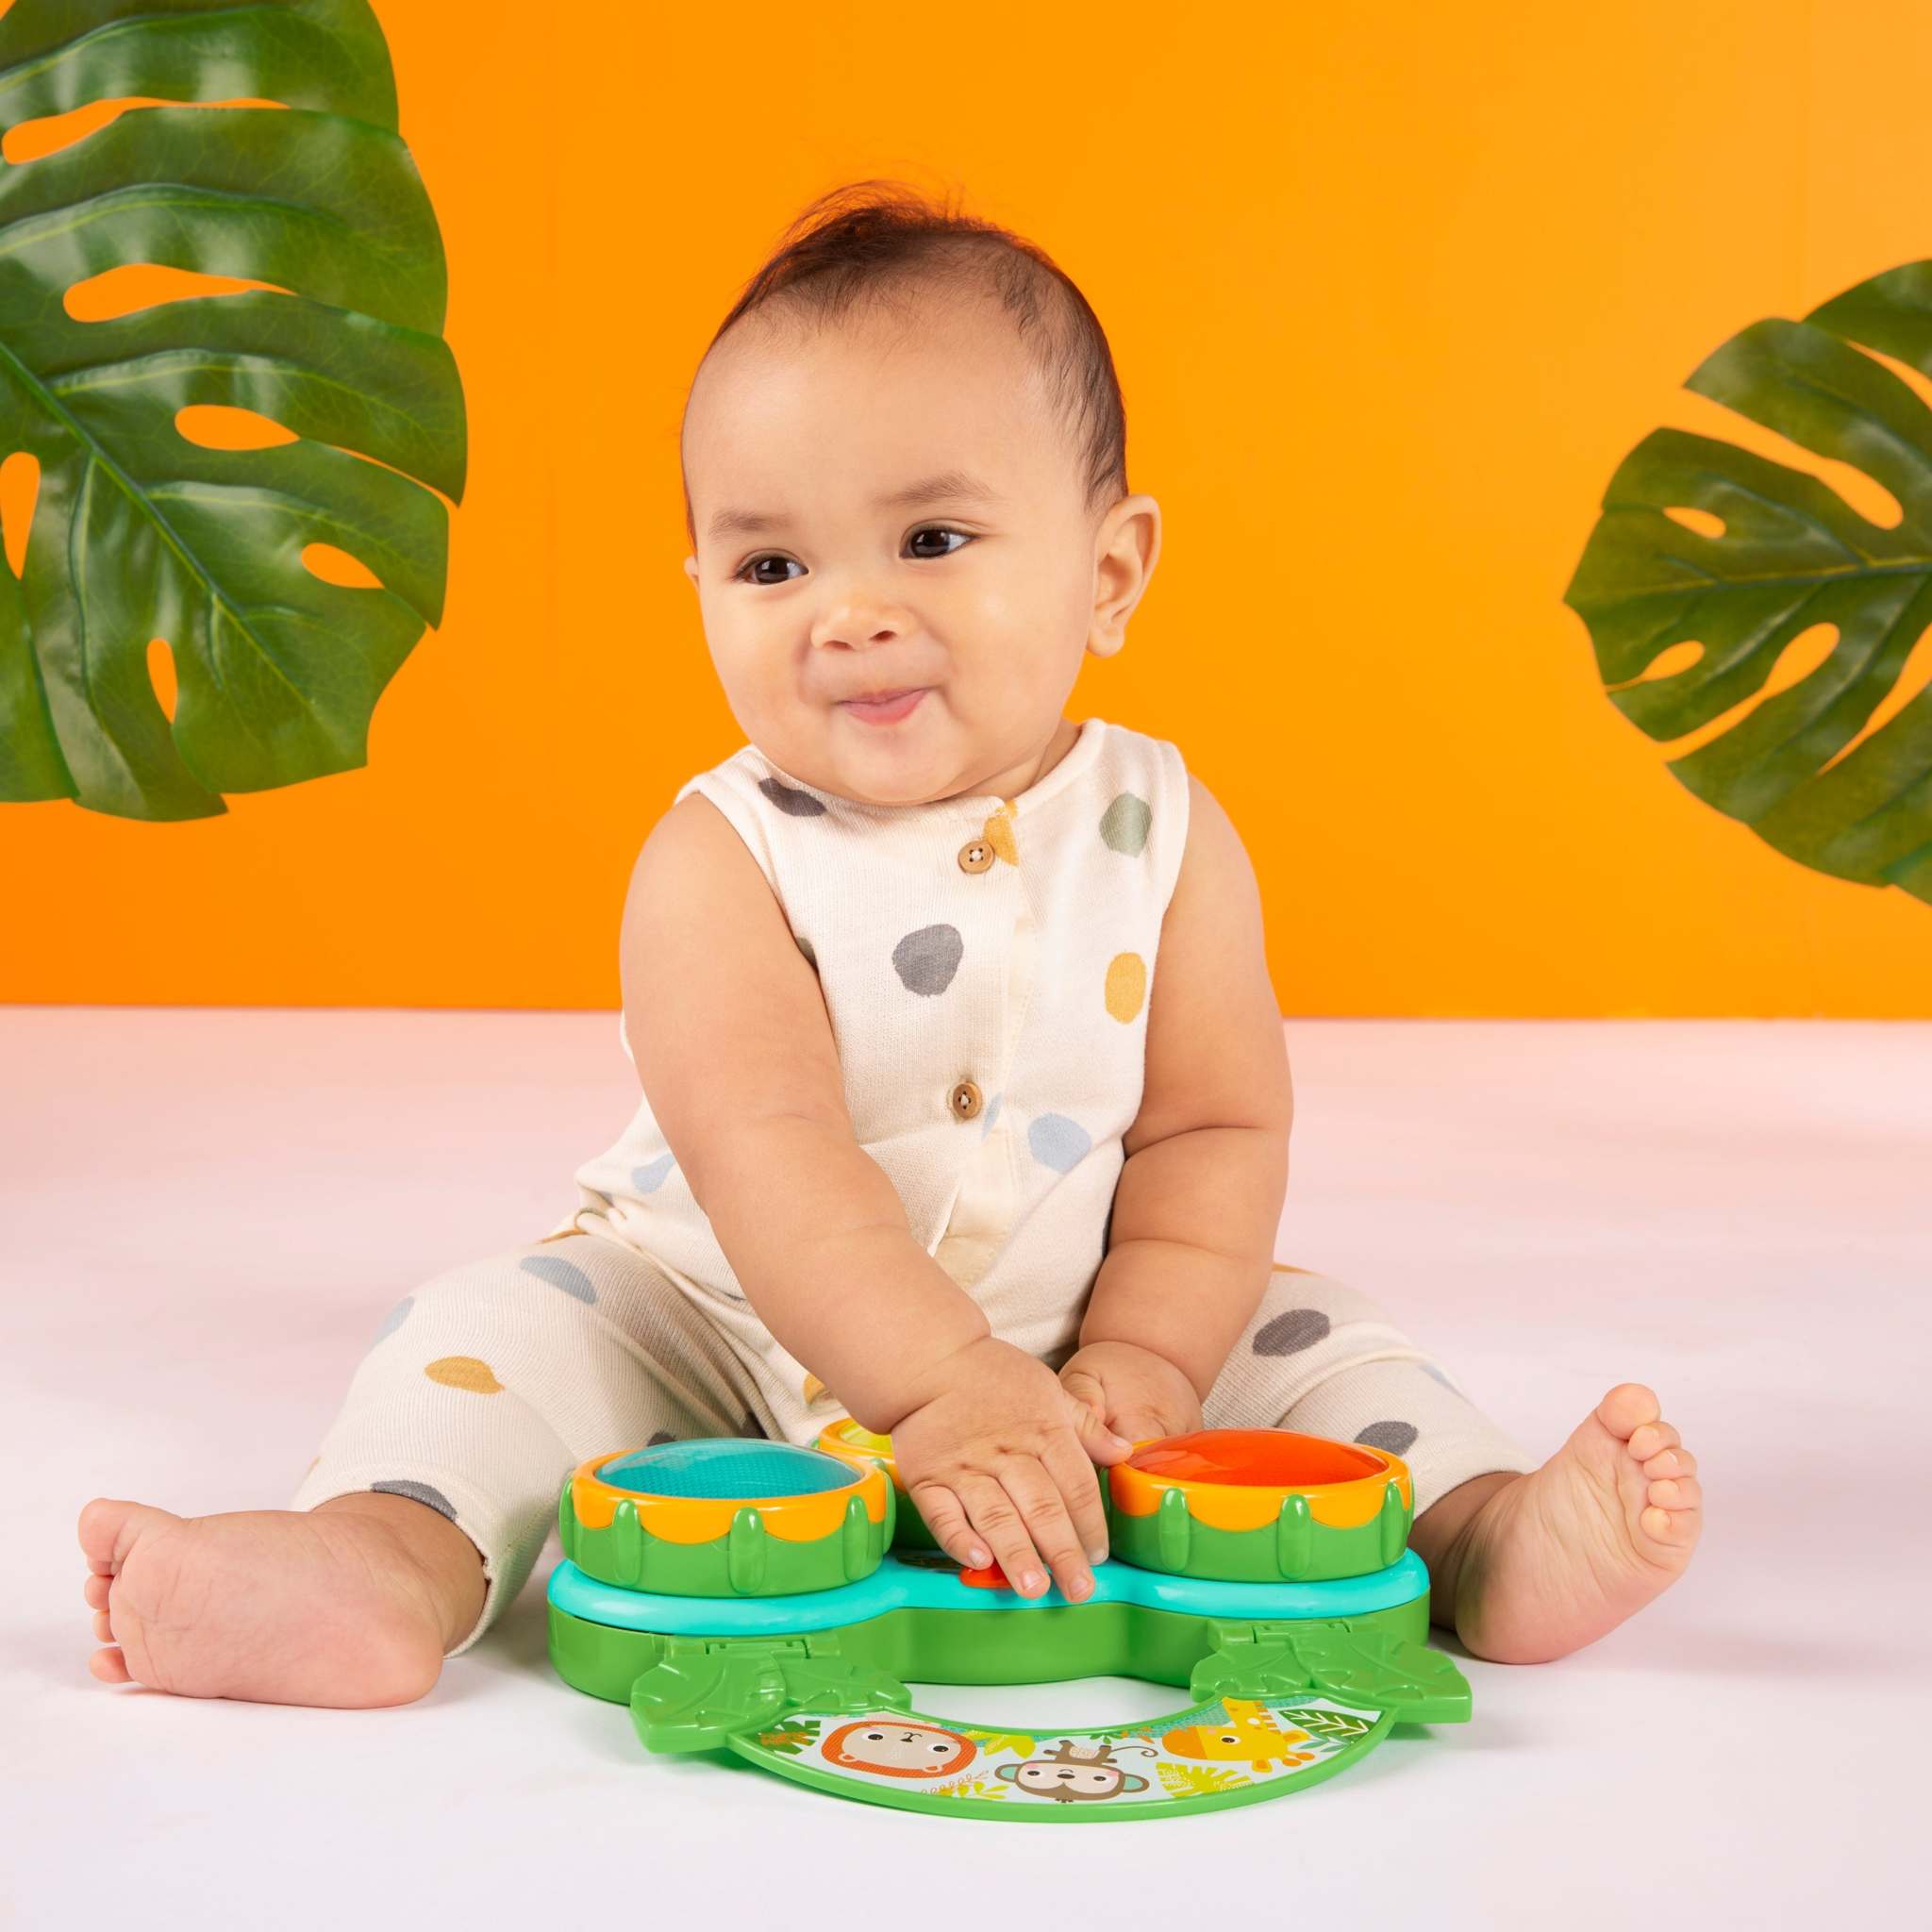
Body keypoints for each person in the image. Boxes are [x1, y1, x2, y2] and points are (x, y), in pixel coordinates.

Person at [75, 181, 1701, 1708]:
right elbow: (768, 1149)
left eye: (929, 541)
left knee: (1317, 1338)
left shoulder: (1166, 830)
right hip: (719, 1323)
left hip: (1081, 1319)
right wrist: (937, 1387)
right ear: (700, 584)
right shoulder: (720, 857)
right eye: (773, 563)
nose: (845, 612)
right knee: (506, 1331)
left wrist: (1143, 1347)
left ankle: (1482, 1531)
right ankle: (383, 1555)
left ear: (1111, 569)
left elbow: (1215, 1124)